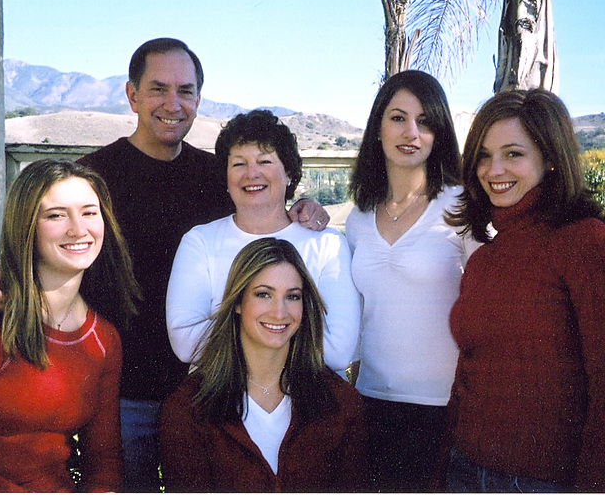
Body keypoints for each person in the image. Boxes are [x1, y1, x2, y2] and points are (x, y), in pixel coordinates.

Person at [0, 38, 328, 491]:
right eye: (158, 89)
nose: (172, 104)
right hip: (121, 394)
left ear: (199, 98)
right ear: (131, 95)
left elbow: (265, 215)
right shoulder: (95, 176)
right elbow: (39, 241)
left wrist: (305, 208)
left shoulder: (217, 176)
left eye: (186, 91)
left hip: (209, 393)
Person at [445, 89, 605, 492]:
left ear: (550, 158)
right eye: (483, 155)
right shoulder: (484, 258)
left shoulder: (585, 243)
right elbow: (468, 373)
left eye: (513, 153)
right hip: (464, 470)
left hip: (543, 482)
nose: (493, 169)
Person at [0, 159, 140, 492]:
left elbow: (103, 463)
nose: (78, 229)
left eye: (89, 212)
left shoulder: (103, 339)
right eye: (56, 215)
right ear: (26, 225)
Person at [345, 70, 478, 492]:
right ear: (378, 128)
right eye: (398, 118)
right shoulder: (358, 218)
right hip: (370, 404)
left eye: (425, 122)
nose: (411, 133)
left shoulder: (462, 207)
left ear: (438, 134)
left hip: (445, 410)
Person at [160, 237, 368, 491]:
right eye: (263, 294)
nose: (279, 312)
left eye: (292, 297)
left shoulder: (340, 402)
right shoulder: (189, 407)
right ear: (237, 302)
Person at [166, 109, 360, 375]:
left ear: (289, 172)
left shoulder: (326, 244)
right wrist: (284, 329)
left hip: (309, 407)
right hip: (222, 404)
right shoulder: (200, 242)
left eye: (265, 162)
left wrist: (243, 327)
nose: (251, 173)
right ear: (225, 177)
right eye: (238, 163)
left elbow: (338, 351)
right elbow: (186, 343)